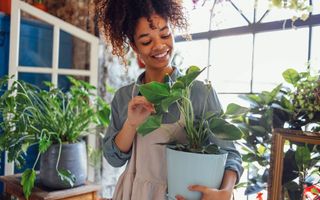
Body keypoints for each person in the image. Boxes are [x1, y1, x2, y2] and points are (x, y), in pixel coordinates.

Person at [96, 0, 243, 199]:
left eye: (165, 34)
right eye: (147, 41)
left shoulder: (200, 92)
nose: (159, 46)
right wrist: (131, 124)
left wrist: (224, 192)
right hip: (135, 193)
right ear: (134, 46)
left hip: (185, 195)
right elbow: (113, 159)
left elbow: (230, 155)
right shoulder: (125, 97)